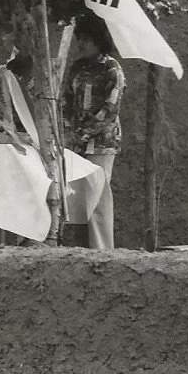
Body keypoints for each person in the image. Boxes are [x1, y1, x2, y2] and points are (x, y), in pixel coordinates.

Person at [63, 13, 126, 248]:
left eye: (86, 39)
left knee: (98, 194)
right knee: (77, 196)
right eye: (80, 38)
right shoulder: (77, 67)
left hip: (102, 143)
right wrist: (67, 129)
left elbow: (110, 110)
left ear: (99, 39)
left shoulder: (112, 70)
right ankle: (77, 249)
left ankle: (101, 250)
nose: (81, 43)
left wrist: (82, 133)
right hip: (76, 142)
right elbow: (66, 101)